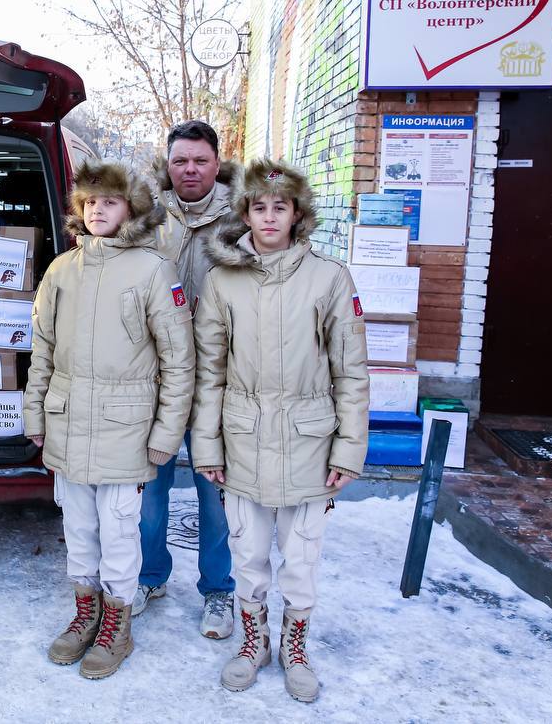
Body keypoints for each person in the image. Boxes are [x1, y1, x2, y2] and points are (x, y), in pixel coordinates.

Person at [190, 158, 369, 702]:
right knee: (247, 555)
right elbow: (209, 373)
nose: (269, 218)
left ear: (297, 214)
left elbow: (351, 371)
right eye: (259, 207)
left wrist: (349, 447)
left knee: (303, 555)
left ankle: (295, 646)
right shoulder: (222, 281)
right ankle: (253, 643)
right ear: (244, 214)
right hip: (242, 441)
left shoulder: (330, 278)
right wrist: (207, 444)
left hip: (310, 443)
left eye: (280, 207)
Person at [24, 160, 195, 680]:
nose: (98, 209)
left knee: (120, 533)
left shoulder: (154, 270)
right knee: (78, 529)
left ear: (132, 210)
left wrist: (167, 433)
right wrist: (35, 411)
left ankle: (117, 626)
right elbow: (43, 348)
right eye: (90, 201)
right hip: (69, 423)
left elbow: (178, 361)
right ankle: (85, 615)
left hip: (128, 432)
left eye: (111, 201)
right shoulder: (61, 270)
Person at [135, 119, 237, 640]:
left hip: (220, 379)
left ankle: (219, 591)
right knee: (150, 487)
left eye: (200, 160)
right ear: (168, 164)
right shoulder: (146, 217)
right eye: (181, 161)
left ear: (217, 163)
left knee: (214, 489)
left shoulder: (243, 218)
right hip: (157, 377)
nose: (190, 170)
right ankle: (150, 577)